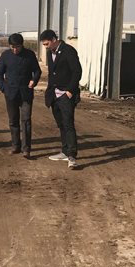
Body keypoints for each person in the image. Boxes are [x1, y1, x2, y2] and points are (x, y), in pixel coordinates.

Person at [40, 29, 82, 169]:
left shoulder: (69, 51)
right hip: (54, 96)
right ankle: (64, 152)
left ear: (54, 39)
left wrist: (70, 90)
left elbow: (77, 71)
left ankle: (72, 156)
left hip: (66, 95)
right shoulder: (49, 53)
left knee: (68, 125)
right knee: (61, 124)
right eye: (44, 45)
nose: (45, 47)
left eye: (46, 44)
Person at [0, 33, 42, 158]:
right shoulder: (5, 56)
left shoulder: (30, 55)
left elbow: (37, 70)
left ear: (22, 45)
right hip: (10, 92)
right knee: (13, 120)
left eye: (17, 47)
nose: (15, 50)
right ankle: (15, 144)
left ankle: (26, 148)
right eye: (12, 47)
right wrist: (3, 88)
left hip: (26, 92)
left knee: (26, 119)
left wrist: (34, 80)